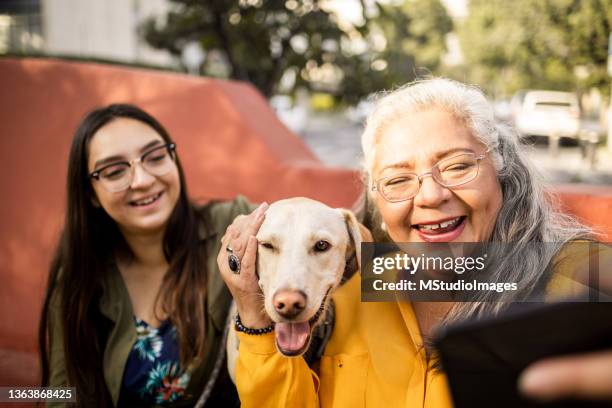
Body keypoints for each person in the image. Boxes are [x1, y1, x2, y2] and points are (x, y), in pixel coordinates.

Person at [217, 78, 606, 407]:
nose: (430, 195)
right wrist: (254, 317)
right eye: (398, 180)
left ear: (501, 172)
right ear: (377, 201)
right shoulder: (349, 287)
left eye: (457, 166)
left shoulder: (575, 276)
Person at [38, 104, 263, 407]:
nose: (142, 180)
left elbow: (314, 242)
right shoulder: (80, 274)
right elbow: (60, 392)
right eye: (115, 170)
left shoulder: (232, 225)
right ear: (90, 193)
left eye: (156, 157)